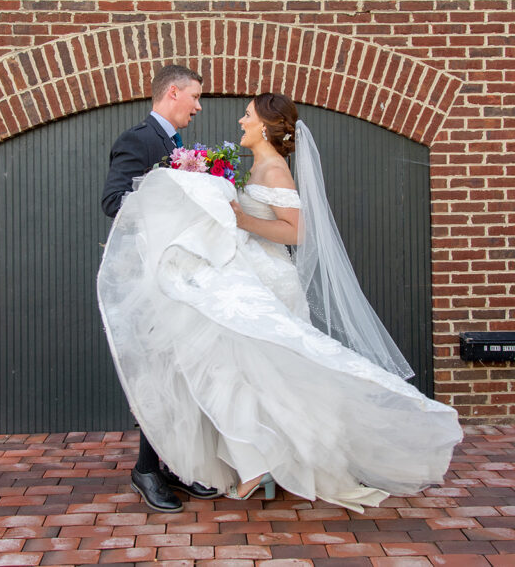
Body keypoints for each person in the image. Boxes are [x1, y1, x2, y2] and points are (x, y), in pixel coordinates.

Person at [98, 92, 462, 512]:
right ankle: (258, 464)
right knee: (253, 372)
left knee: (269, 371)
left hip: (272, 279)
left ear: (266, 126)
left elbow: (296, 232)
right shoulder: (253, 165)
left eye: (247, 116)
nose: (240, 121)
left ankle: (266, 465)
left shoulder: (273, 169)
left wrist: (238, 217)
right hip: (250, 276)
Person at [100, 64, 221, 513]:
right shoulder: (139, 139)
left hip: (175, 272)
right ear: (173, 93)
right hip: (148, 277)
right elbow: (113, 201)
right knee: (157, 375)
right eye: (194, 97)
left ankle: (168, 465)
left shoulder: (175, 143)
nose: (199, 106)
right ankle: (146, 470)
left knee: (179, 371)